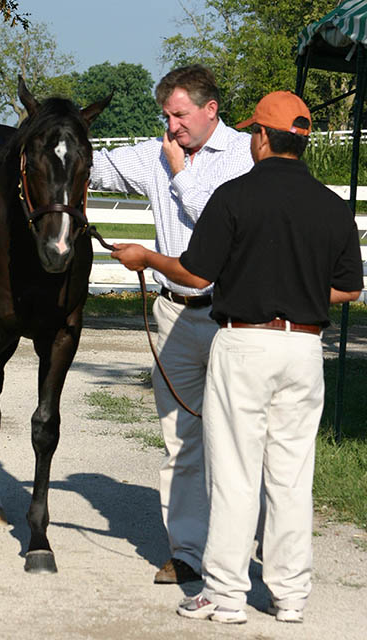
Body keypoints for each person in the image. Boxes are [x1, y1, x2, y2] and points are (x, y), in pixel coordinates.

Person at [111, 91, 363, 623]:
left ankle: (224, 594)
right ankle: (290, 595)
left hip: (245, 342)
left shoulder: (235, 195)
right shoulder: (332, 206)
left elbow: (197, 275)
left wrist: (147, 257)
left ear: (265, 138)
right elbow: (349, 291)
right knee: (292, 474)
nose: (249, 139)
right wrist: (302, 292)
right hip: (304, 347)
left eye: (253, 132)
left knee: (233, 470)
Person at [90, 65, 253, 584]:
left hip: (234, 316)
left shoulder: (247, 155)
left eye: (180, 114)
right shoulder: (156, 152)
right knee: (180, 438)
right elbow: (99, 169)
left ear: (211, 110)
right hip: (174, 311)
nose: (172, 125)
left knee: (242, 438)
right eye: (167, 115)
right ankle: (186, 550)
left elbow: (217, 220)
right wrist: (50, 139)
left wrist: (178, 170)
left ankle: (247, 551)